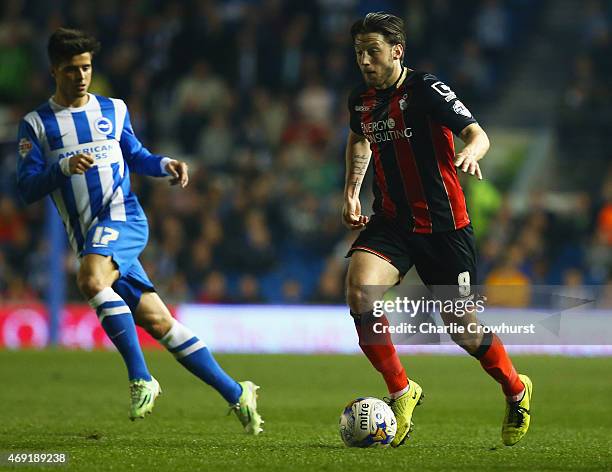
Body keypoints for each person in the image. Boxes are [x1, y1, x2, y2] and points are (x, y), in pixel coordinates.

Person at [16, 28, 263, 434]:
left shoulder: (113, 109)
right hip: (89, 237)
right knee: (160, 323)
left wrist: (165, 164)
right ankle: (238, 392)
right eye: (72, 69)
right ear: (54, 70)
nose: (81, 76)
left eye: (87, 67)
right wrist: (61, 168)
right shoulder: (37, 125)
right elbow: (26, 188)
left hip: (123, 219)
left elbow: (136, 155)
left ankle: (141, 378)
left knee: (91, 279)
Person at [343, 13, 532, 447]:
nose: (366, 61)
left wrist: (470, 151)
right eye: (359, 53)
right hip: (392, 221)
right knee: (359, 292)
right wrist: (352, 190)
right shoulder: (362, 100)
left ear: (397, 50)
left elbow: (477, 133)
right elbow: (358, 138)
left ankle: (516, 389)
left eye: (373, 51)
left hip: (445, 227)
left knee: (461, 327)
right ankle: (401, 390)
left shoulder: (427, 90)